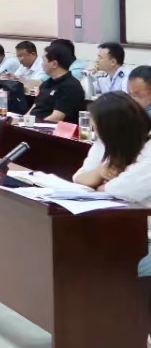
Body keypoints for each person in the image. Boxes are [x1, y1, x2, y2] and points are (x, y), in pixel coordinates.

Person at [70, 93, 151, 279]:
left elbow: (122, 194)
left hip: (145, 236)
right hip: (116, 227)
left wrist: (99, 185)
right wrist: (100, 173)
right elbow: (79, 178)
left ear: (115, 129)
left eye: (98, 128)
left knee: (103, 270)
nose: (95, 133)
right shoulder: (105, 142)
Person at [29, 40, 86, 124]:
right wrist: (22, 122)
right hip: (33, 125)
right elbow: (34, 108)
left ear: (54, 64)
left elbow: (56, 118)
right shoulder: (46, 83)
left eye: (44, 60)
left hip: (48, 128)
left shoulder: (71, 87)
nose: (42, 64)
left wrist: (32, 126)